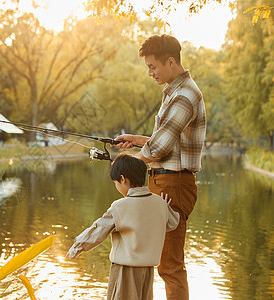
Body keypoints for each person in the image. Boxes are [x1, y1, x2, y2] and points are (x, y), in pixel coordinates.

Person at [114, 34, 207, 300]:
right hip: (164, 180)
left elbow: (160, 148)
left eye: (152, 67)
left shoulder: (185, 95)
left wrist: (130, 162)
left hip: (173, 185)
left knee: (170, 265)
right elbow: (165, 142)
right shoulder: (174, 92)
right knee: (158, 260)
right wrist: (137, 141)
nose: (150, 73)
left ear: (170, 61)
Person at [66, 153, 180, 300]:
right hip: (148, 271)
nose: (117, 186)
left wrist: (77, 247)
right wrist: (164, 207)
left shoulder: (120, 206)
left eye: (116, 182)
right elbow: (172, 223)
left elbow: (99, 230)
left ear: (123, 179)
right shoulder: (159, 203)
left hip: (125, 271)